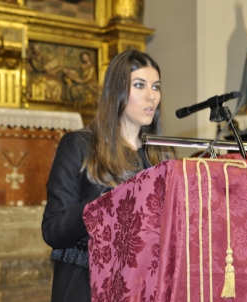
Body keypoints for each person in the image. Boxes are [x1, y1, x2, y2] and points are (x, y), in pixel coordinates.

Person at [41, 50, 176, 301]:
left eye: (156, 87)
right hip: (89, 286)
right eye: (139, 85)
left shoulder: (163, 155)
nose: (151, 96)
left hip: (148, 287)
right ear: (117, 92)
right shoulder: (79, 145)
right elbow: (53, 230)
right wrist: (102, 204)